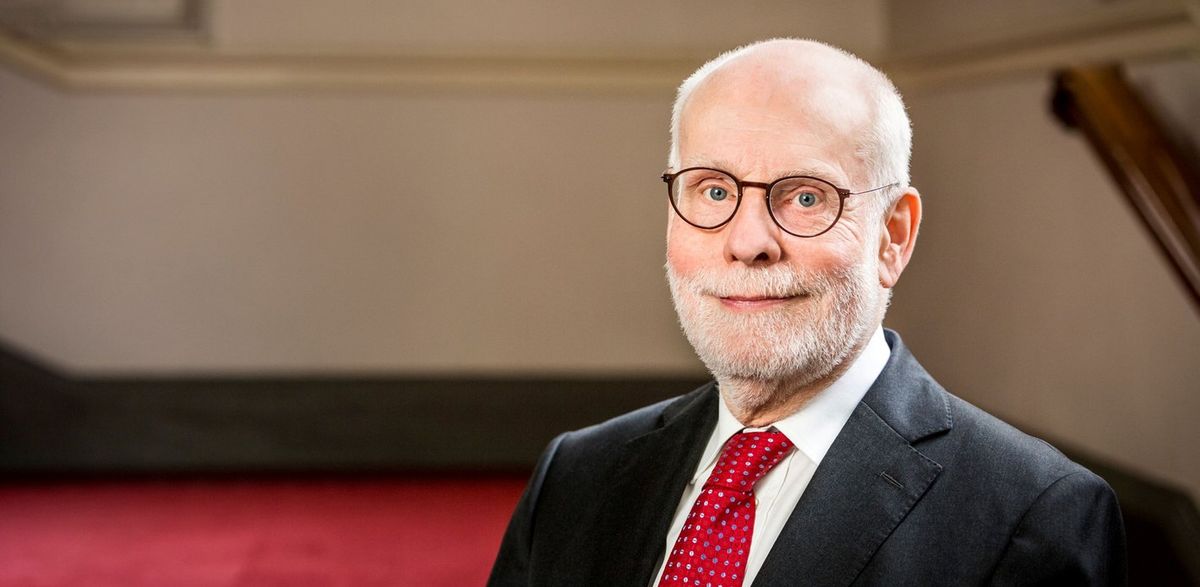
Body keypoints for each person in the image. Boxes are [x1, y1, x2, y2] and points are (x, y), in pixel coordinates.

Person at [488, 38, 1126, 586]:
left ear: (892, 236)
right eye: (712, 189)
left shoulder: (1031, 516)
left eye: (804, 197)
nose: (748, 242)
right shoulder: (575, 475)